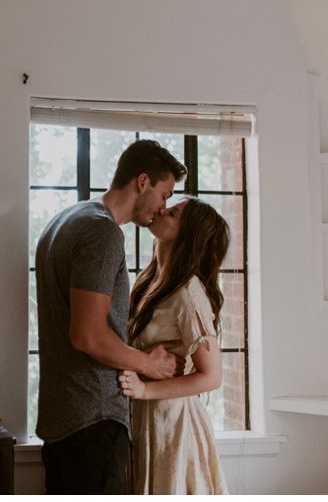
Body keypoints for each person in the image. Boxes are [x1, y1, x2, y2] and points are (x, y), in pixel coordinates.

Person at [35, 139, 188, 494]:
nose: (162, 207)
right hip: (94, 421)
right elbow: (87, 335)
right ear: (143, 181)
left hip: (60, 422)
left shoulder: (63, 220)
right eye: (165, 194)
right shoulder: (102, 232)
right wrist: (150, 365)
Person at [118, 197, 231, 495]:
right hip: (143, 423)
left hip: (172, 426)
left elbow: (211, 376)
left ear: (188, 233)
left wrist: (144, 390)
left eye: (173, 213)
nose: (161, 211)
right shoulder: (149, 280)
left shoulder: (188, 291)